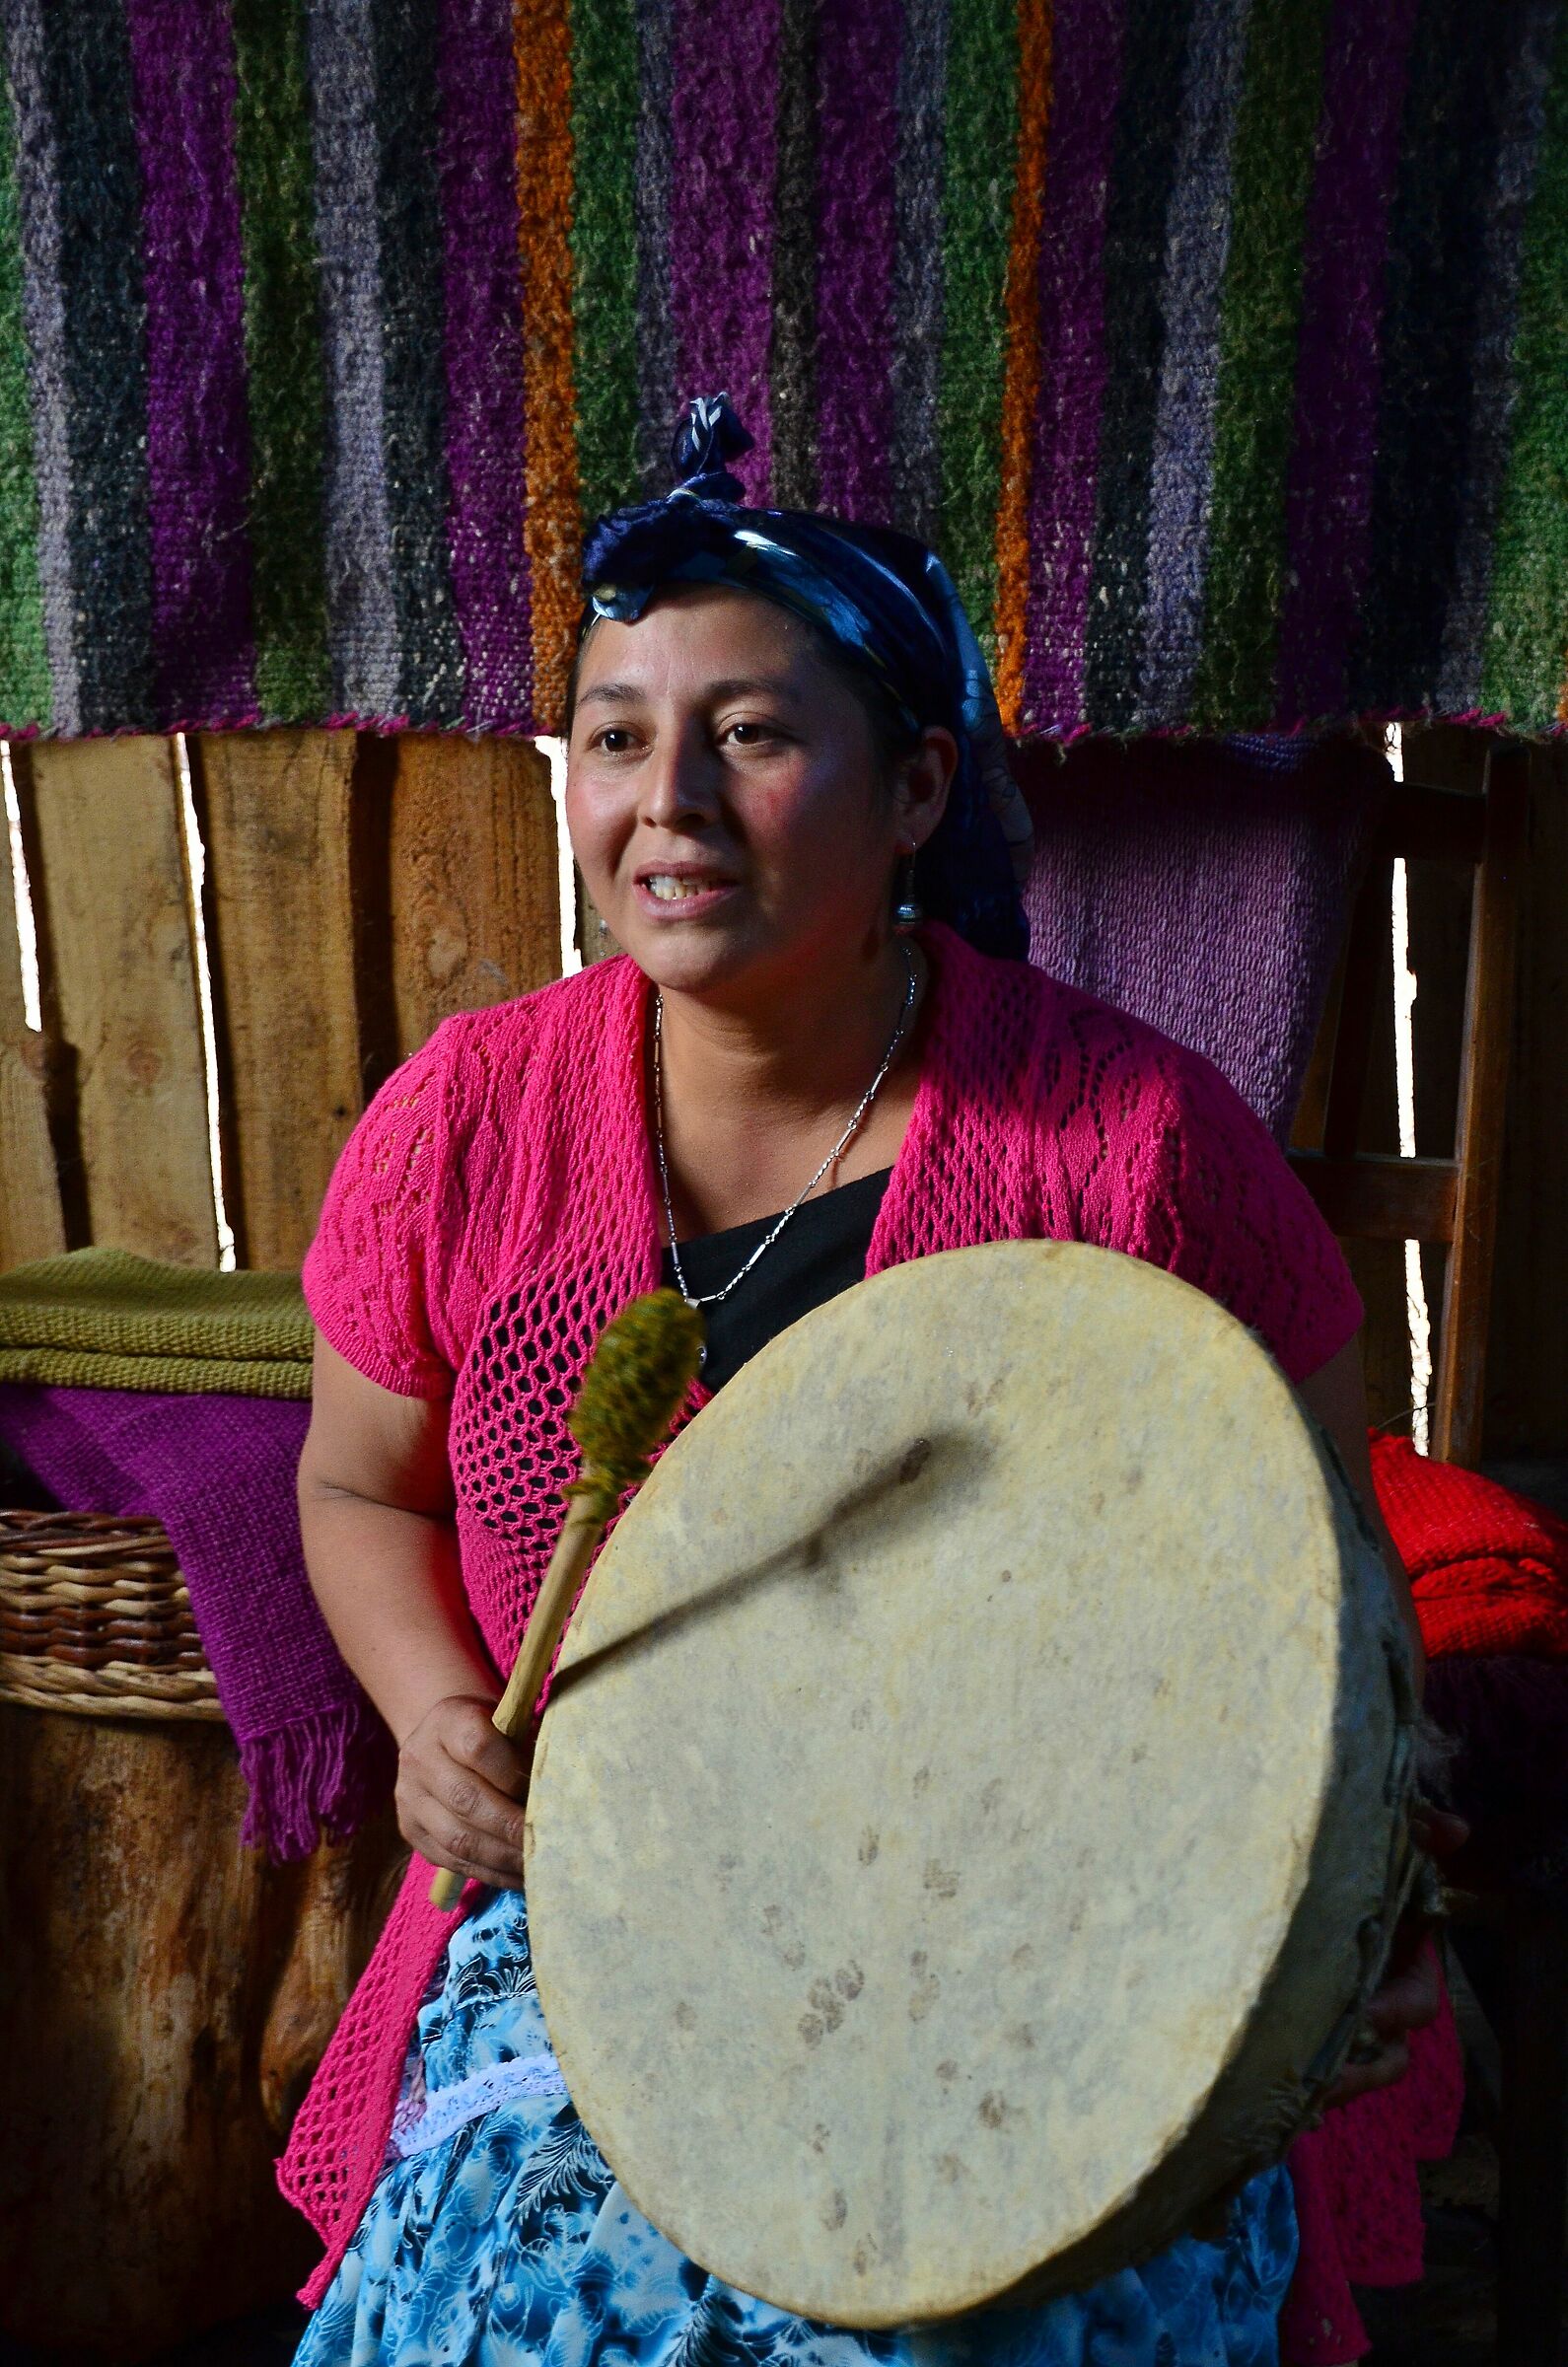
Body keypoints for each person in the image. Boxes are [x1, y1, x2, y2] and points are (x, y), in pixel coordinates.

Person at [286, 397, 1438, 2367]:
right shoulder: (465, 1126)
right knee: (566, 2288)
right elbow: (357, 1487)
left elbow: (1322, 1593)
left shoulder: (1135, 1150)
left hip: (1051, 1913)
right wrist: (436, 1716)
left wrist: (1333, 1899)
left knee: (953, 2317)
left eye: (750, 733)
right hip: (604, 1900)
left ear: (915, 788)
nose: (669, 802)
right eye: (617, 738)